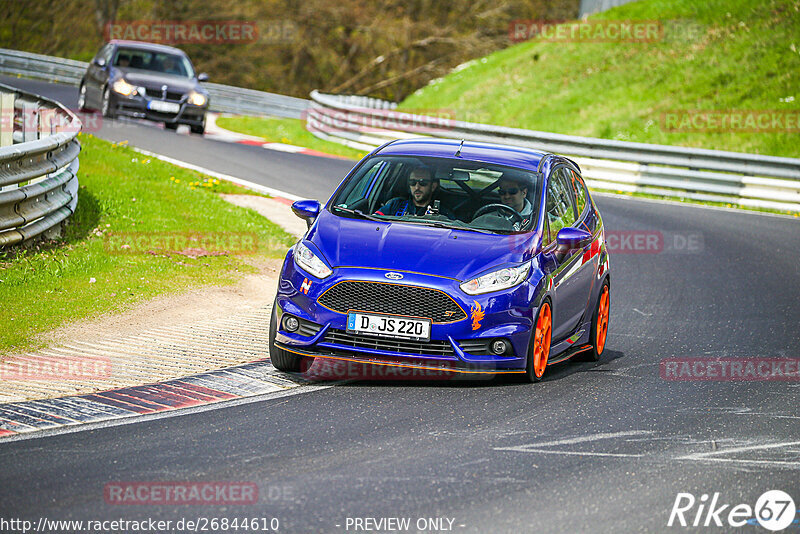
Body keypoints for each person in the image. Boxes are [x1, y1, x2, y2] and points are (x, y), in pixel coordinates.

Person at [375, 166, 454, 218]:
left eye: (423, 183)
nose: (417, 187)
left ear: (433, 186)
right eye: (412, 182)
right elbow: (373, 221)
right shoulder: (395, 205)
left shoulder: (444, 213)